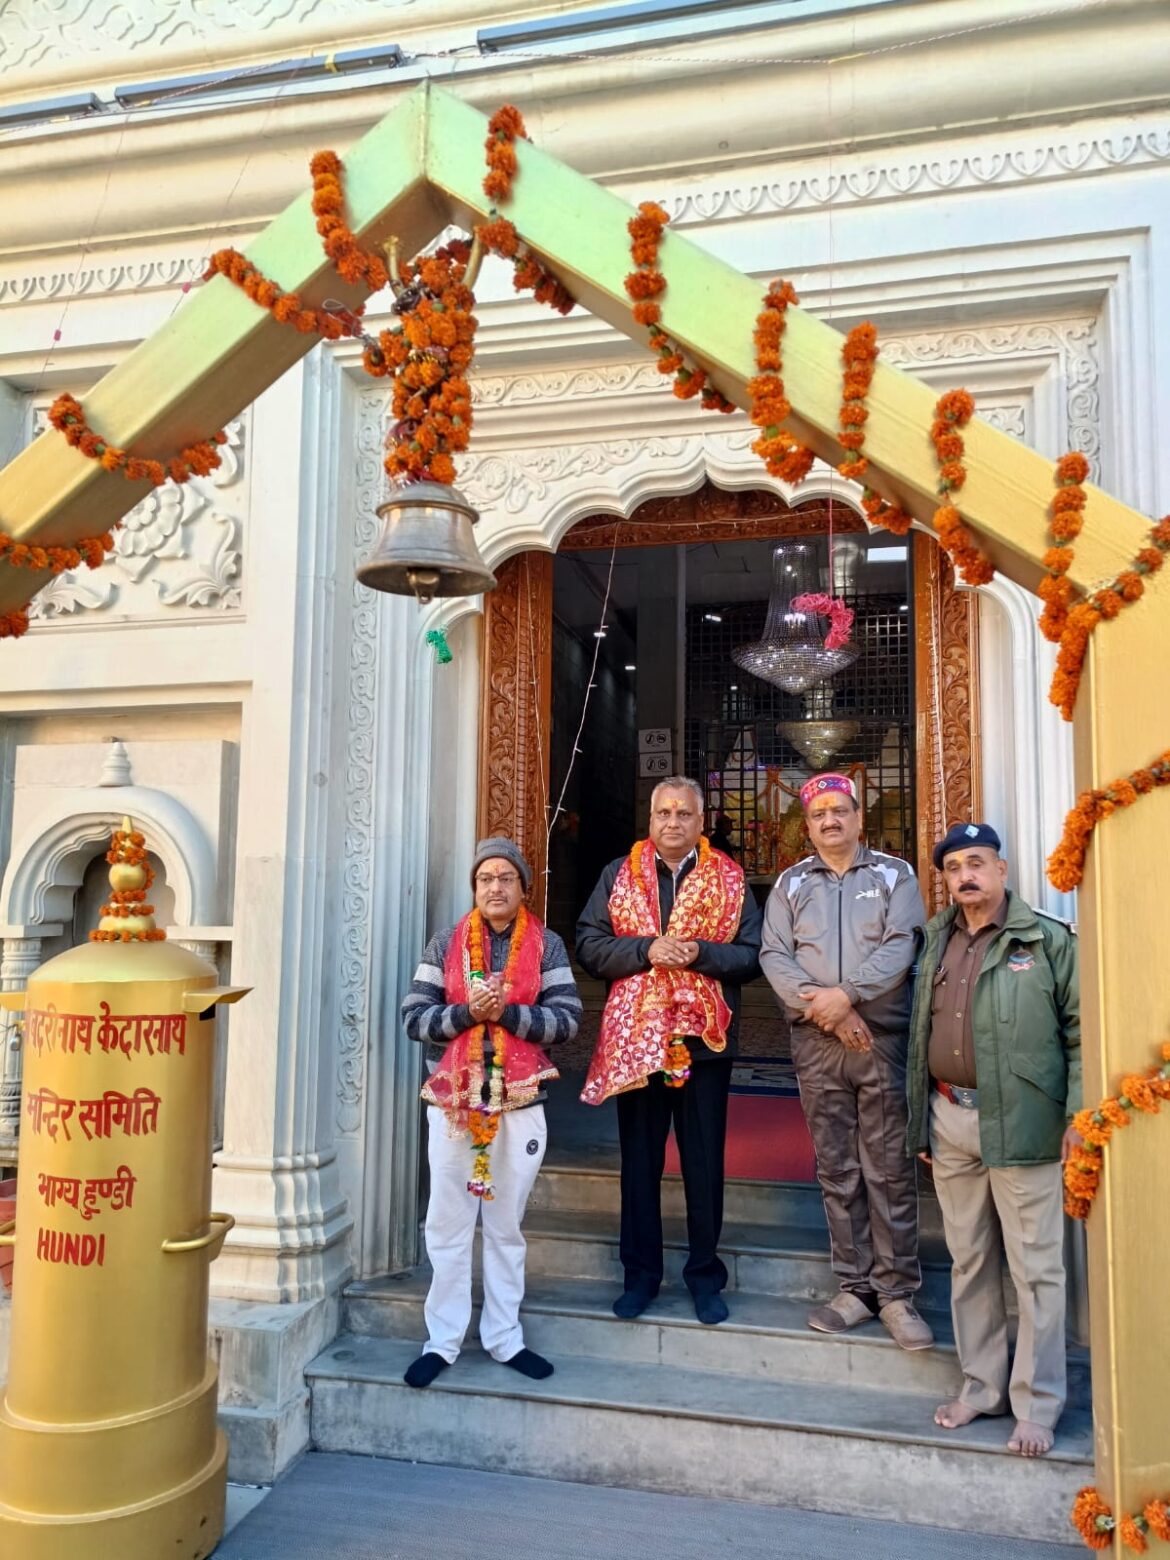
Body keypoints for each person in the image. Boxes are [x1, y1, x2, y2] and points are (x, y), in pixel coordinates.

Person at [906, 822, 1081, 1457]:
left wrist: (1077, 1119)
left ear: (1002, 870)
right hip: (949, 1118)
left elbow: (1080, 1031)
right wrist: (918, 1118)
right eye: (954, 868)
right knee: (971, 1261)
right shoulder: (934, 940)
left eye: (977, 863)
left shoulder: (1047, 940)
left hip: (1026, 1122)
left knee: (1036, 1270)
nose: (966, 877)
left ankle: (1038, 1404)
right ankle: (982, 1387)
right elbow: (918, 1035)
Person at [576, 776, 762, 1325]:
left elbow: (753, 955)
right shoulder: (617, 874)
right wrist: (646, 949)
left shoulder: (729, 880)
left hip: (704, 1044)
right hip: (637, 1043)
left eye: (684, 813)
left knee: (704, 1166)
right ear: (650, 820)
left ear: (700, 822)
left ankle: (705, 1277)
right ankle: (640, 1276)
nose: (673, 822)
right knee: (639, 1164)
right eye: (663, 813)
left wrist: (699, 953)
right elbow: (589, 943)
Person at [400, 836, 582, 1389]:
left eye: (506, 878)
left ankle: (505, 1338)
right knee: (447, 1225)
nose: (495, 887)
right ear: (474, 887)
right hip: (454, 1103)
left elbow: (569, 1021)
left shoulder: (546, 945)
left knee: (505, 1228)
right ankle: (443, 1340)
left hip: (520, 1102)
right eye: (485, 879)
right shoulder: (445, 943)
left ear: (524, 888)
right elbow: (414, 1018)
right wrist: (463, 1014)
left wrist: (508, 1015)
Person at [759, 772, 932, 1350]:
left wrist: (849, 996)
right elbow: (775, 956)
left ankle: (898, 1293)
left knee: (887, 1167)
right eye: (818, 814)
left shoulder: (894, 875)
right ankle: (855, 1288)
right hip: (816, 1043)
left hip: (880, 1040)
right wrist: (831, 1011)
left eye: (839, 811)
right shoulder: (790, 883)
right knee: (837, 1167)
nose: (830, 821)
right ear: (806, 826)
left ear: (859, 818)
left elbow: (901, 946)